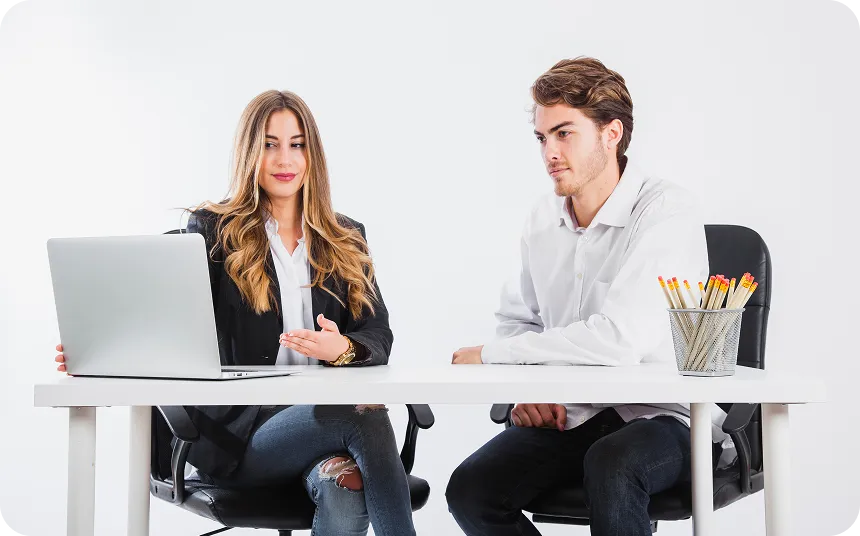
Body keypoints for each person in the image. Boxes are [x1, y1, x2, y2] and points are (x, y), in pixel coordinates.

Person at [55, 90, 415, 536]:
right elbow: (160, 329)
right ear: (250, 151)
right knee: (364, 412)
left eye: (297, 144)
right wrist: (100, 354)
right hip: (244, 439)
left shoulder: (346, 236)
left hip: (321, 433)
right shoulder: (213, 234)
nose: (285, 159)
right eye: (270, 144)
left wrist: (343, 348)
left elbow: (378, 333)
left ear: (312, 154)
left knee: (346, 488)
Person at [446, 58, 729, 536]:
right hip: (573, 414)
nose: (549, 152)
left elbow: (619, 340)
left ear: (611, 133)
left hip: (664, 418)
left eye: (564, 133)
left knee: (612, 463)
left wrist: (496, 357)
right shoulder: (542, 218)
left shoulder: (666, 212)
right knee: (472, 489)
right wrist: (531, 390)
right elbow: (519, 320)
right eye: (542, 138)